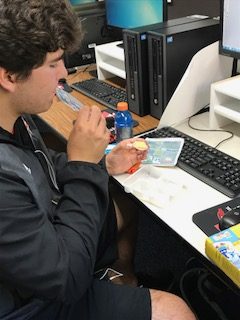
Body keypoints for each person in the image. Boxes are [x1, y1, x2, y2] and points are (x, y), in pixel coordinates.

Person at [0, 0, 196, 319]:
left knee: (123, 203)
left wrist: (103, 164)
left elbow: (42, 165)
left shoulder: (14, 119)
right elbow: (66, 279)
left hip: (44, 239)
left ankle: (124, 282)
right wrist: (84, 166)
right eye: (53, 64)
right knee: (175, 310)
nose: (64, 75)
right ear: (9, 76)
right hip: (35, 298)